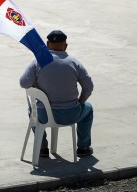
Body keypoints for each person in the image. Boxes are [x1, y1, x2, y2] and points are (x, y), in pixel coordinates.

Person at [19, 30, 94, 158]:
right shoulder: (74, 62)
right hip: (71, 114)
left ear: (47, 45)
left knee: (33, 110)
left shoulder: (38, 61)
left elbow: (24, 83)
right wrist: (80, 102)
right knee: (89, 109)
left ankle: (42, 148)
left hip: (45, 115)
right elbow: (89, 87)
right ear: (65, 46)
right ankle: (83, 147)